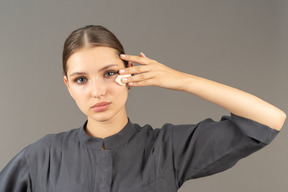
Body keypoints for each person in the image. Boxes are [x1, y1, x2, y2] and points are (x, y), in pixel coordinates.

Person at [0, 25, 286, 192]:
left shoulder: (168, 149)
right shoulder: (42, 157)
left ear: (130, 73)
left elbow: (270, 119)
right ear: (68, 85)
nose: (97, 90)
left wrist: (181, 80)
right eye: (81, 79)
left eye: (109, 73)